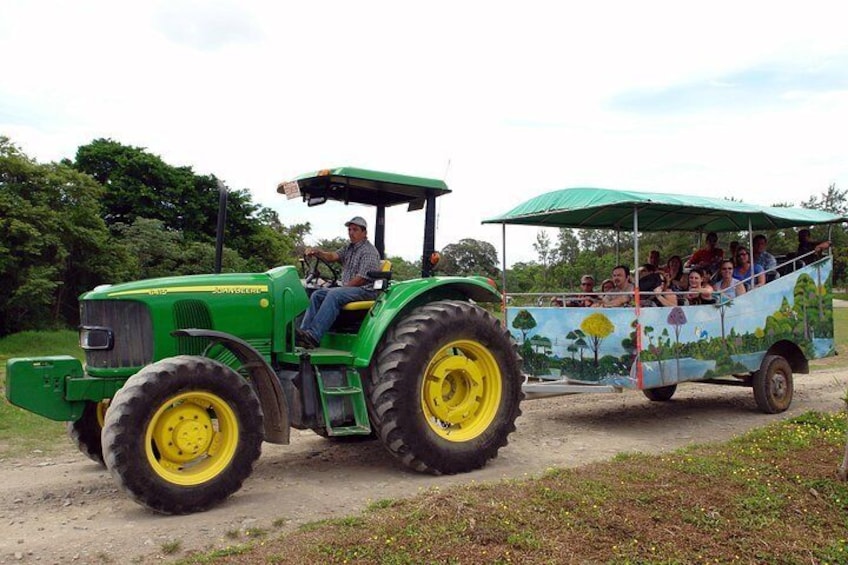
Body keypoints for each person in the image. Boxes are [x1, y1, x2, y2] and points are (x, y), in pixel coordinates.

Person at [296, 216, 382, 349]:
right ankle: (303, 334)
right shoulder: (349, 248)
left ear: (364, 233)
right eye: (349, 229)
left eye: (355, 230)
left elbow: (362, 278)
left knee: (334, 294)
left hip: (367, 291)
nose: (351, 232)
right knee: (317, 294)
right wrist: (318, 253)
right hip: (352, 289)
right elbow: (332, 256)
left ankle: (314, 336)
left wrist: (342, 289)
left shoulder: (369, 251)